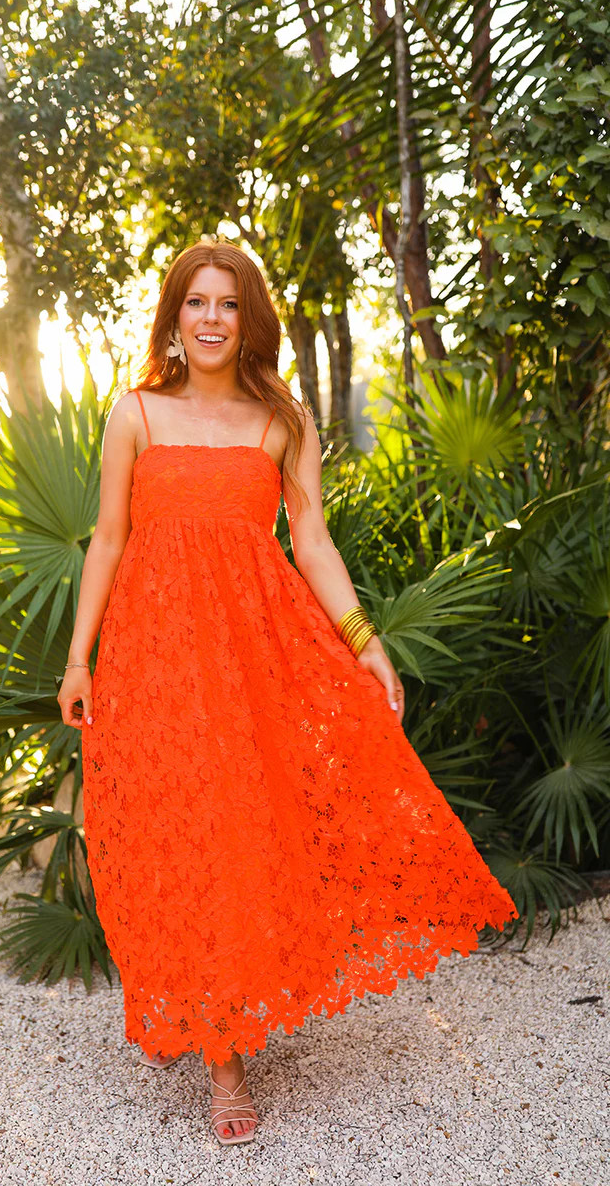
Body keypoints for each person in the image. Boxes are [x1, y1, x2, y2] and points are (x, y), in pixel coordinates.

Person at [57, 239, 518, 1146]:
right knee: (173, 833)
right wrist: (79, 661)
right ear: (174, 318)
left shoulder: (282, 420)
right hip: (155, 656)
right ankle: (203, 1021)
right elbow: (108, 539)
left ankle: (229, 1035)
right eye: (196, 302)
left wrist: (365, 639)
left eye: (228, 303)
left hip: (250, 658)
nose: (212, 318)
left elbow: (311, 541)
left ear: (249, 319)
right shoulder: (136, 414)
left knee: (240, 830)